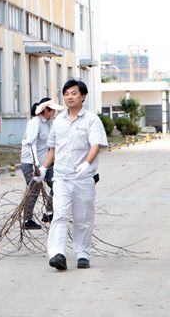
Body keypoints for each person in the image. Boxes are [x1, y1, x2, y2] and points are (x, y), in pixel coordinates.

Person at [40, 79, 108, 271]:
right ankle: (57, 254)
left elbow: (95, 144)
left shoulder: (91, 119)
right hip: (61, 178)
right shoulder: (58, 121)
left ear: (83, 96)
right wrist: (44, 168)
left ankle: (83, 254)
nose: (69, 97)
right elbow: (53, 149)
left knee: (82, 218)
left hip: (83, 178)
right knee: (60, 215)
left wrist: (87, 163)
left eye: (74, 93)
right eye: (66, 94)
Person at [20, 97, 62, 230]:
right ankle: (27, 220)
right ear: (45, 110)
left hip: (46, 162)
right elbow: (31, 144)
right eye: (52, 110)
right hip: (30, 162)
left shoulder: (50, 123)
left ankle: (49, 212)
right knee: (35, 189)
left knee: (57, 183)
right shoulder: (34, 123)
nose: (54, 112)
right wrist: (36, 164)